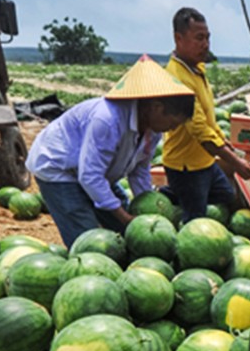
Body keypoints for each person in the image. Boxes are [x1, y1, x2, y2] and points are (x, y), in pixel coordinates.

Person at [26, 57, 196, 247]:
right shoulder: (107, 120)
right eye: (172, 123)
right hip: (59, 167)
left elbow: (139, 171)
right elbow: (90, 176)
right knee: (89, 240)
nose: (171, 129)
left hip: (95, 170)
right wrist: (126, 218)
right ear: (156, 108)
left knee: (124, 233)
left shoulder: (153, 129)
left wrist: (150, 210)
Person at [162, 7, 250, 221]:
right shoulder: (177, 79)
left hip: (204, 160)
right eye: (199, 38)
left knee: (225, 194)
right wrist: (236, 163)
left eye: (207, 38)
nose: (205, 44)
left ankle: (170, 194)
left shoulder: (196, 68)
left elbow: (208, 117)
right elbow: (200, 130)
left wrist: (224, 142)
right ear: (178, 38)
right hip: (186, 166)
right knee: (195, 219)